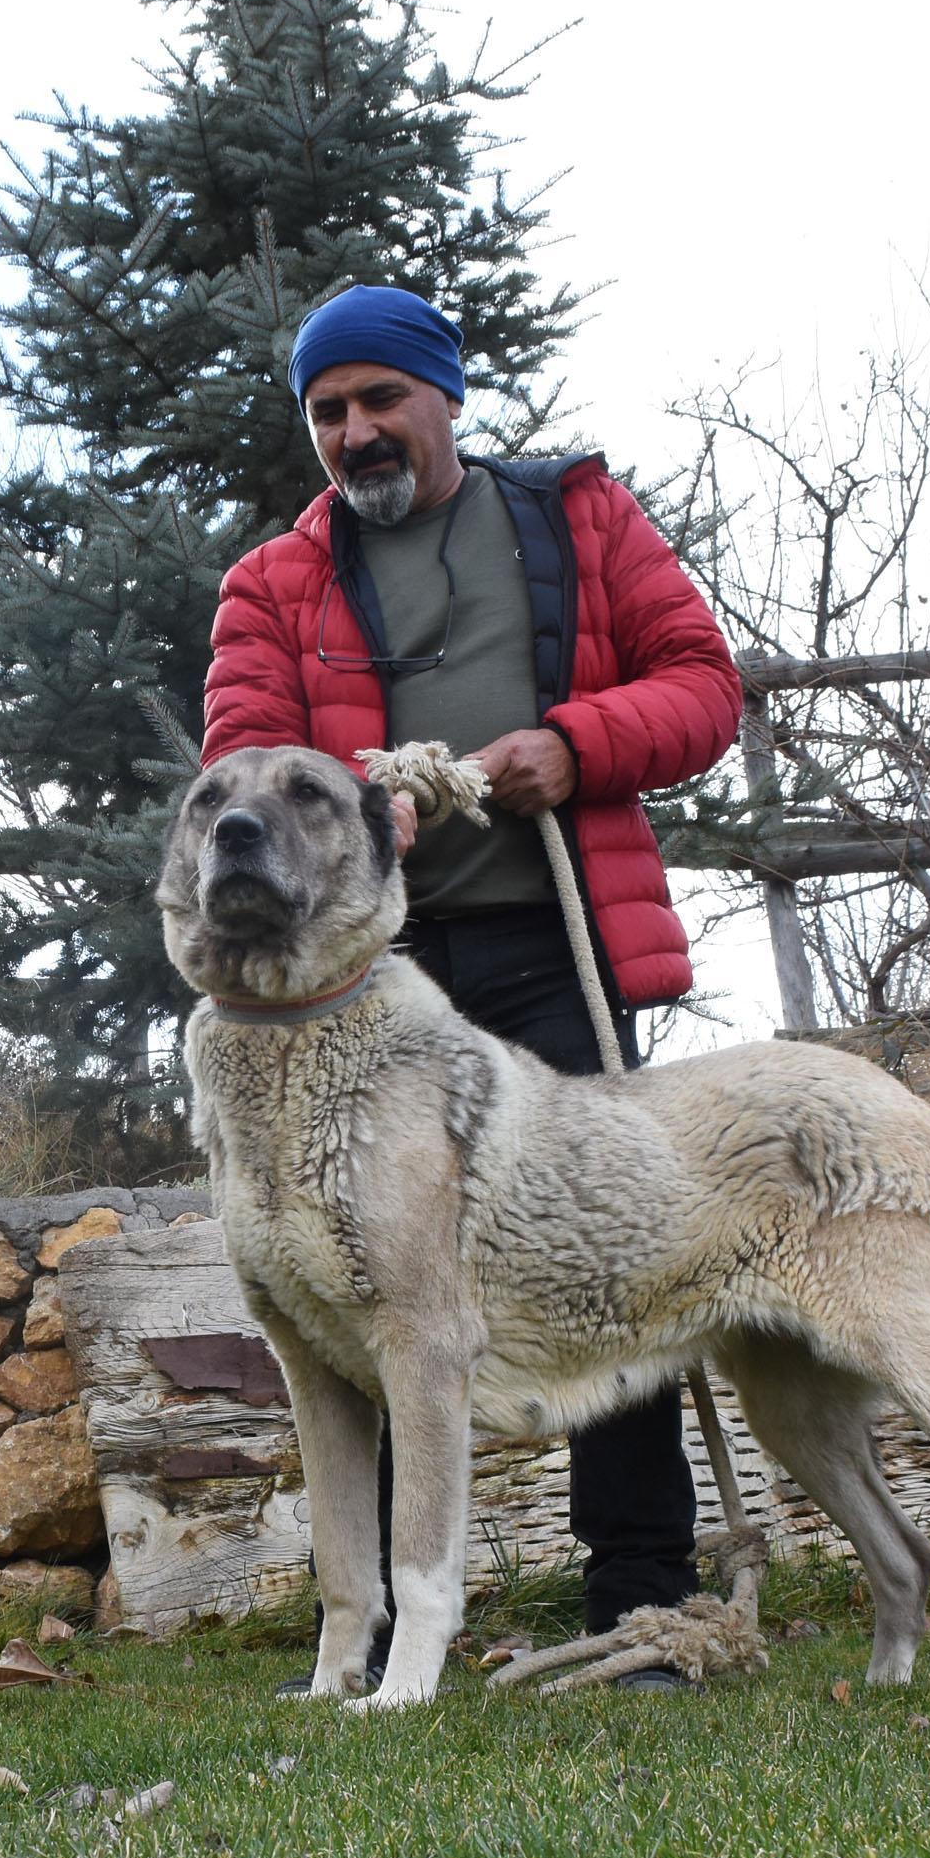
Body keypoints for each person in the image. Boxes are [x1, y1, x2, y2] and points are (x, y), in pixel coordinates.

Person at [200, 284, 743, 1687]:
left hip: (557, 950)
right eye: (328, 412)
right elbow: (244, 762)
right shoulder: (273, 580)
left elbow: (702, 685)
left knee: (618, 1265)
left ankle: (641, 1602)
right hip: (366, 985)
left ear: (444, 395)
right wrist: (353, 805)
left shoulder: (575, 519)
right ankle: (371, 1623)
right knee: (355, 1288)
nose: (355, 431)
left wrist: (576, 743)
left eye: (381, 399)